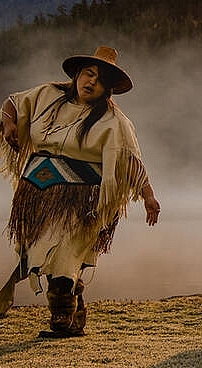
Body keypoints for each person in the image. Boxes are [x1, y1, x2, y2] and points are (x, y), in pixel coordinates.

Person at [0, 46, 161, 338]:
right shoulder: (47, 96)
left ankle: (62, 317)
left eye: (99, 80)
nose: (91, 82)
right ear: (77, 75)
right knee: (43, 255)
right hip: (37, 196)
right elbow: (13, 102)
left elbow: (129, 160)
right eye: (88, 74)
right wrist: (10, 123)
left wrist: (148, 196)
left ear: (107, 89)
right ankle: (75, 307)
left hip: (82, 203)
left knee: (64, 255)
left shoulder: (114, 121)